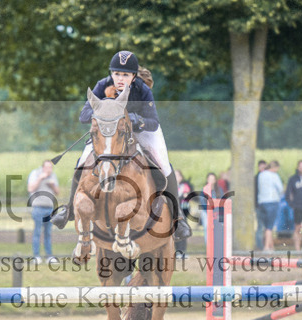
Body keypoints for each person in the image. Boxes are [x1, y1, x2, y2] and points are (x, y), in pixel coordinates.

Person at [51, 50, 192, 241]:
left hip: (141, 131)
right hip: (110, 132)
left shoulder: (143, 90)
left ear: (133, 76)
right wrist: (102, 115)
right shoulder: (102, 86)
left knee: (165, 165)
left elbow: (154, 122)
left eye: (125, 74)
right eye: (116, 74)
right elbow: (83, 116)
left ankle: (177, 219)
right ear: (111, 74)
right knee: (83, 160)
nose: (120, 78)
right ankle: (69, 210)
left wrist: (137, 119)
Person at [27, 159, 60, 263]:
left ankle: (49, 256)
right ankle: (36, 256)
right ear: (42, 168)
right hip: (38, 207)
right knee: (37, 232)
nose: (48, 169)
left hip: (50, 208)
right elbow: (30, 188)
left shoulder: (53, 176)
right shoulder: (35, 174)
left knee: (48, 233)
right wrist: (40, 179)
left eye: (50, 167)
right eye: (46, 167)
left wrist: (53, 185)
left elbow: (57, 192)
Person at [256, 161, 284, 252]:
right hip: (272, 201)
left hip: (262, 202)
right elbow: (280, 188)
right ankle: (267, 247)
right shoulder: (274, 176)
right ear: (275, 168)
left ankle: (271, 246)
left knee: (265, 225)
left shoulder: (261, 175)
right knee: (269, 226)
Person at [175, 169, 193, 258]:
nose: (176, 177)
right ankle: (176, 251)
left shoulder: (184, 187)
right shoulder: (170, 186)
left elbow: (187, 199)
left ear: (181, 178)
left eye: (177, 175)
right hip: (173, 212)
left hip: (181, 212)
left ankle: (182, 251)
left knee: (183, 230)